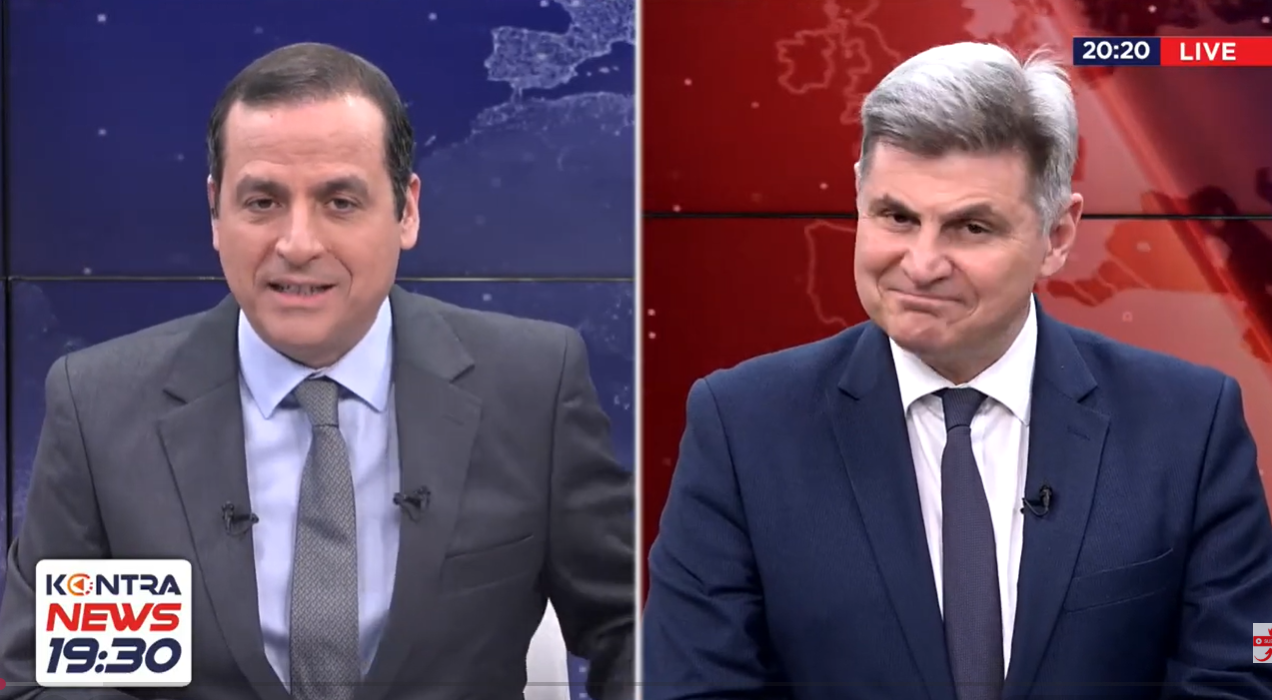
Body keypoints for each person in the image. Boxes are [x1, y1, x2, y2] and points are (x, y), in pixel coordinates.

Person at [0, 43, 634, 700]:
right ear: (216, 212)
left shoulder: (532, 388)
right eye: (262, 202)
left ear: (406, 210)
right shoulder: (102, 409)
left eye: (340, 202)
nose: (298, 244)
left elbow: (633, 628)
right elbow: (49, 682)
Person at [642, 42, 1272, 700]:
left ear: (1058, 236)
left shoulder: (1190, 426)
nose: (921, 264)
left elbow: (1247, 664)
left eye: (971, 227)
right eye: (896, 217)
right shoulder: (742, 428)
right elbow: (693, 686)